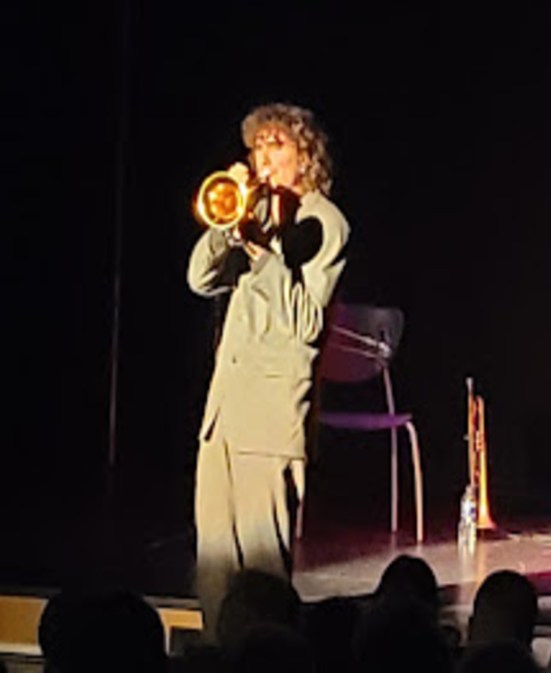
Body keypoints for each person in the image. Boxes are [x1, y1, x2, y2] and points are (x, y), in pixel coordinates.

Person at [187, 102, 350, 639]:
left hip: (269, 421)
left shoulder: (324, 222)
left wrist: (263, 254)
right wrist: (225, 227)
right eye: (257, 147)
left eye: (276, 146)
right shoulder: (250, 214)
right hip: (224, 417)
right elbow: (199, 280)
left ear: (306, 157)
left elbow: (305, 323)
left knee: (261, 574)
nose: (263, 159)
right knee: (213, 570)